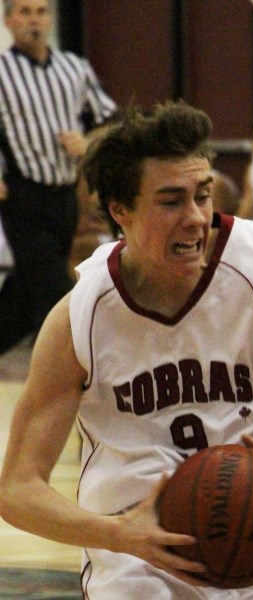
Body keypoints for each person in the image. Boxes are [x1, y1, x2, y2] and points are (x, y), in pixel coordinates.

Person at [0, 100, 253, 599]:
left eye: (202, 196)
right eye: (171, 201)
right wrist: (119, 534)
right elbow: (17, 489)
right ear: (121, 210)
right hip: (134, 553)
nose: (196, 218)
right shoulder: (79, 315)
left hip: (250, 533)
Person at [0, 0, 117, 354]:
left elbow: (108, 119)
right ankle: (73, 364)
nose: (34, 20)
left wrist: (87, 142)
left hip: (65, 193)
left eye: (41, 11)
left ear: (50, 19)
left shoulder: (74, 68)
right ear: (8, 21)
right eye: (25, 11)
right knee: (53, 286)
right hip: (21, 191)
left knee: (26, 288)